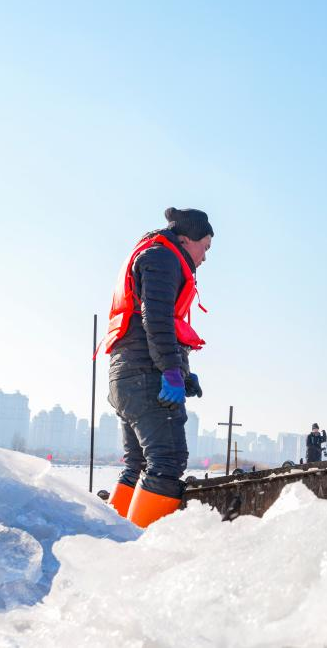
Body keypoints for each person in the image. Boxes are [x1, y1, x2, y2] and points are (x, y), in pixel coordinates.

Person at [103, 207, 212, 527]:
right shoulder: (163, 258)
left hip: (127, 374)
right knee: (168, 461)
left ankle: (113, 534)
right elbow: (157, 320)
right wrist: (171, 371)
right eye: (204, 247)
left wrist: (184, 372)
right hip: (144, 374)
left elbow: (151, 323)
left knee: (137, 463)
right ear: (185, 239)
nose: (205, 257)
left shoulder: (154, 254)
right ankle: (136, 549)